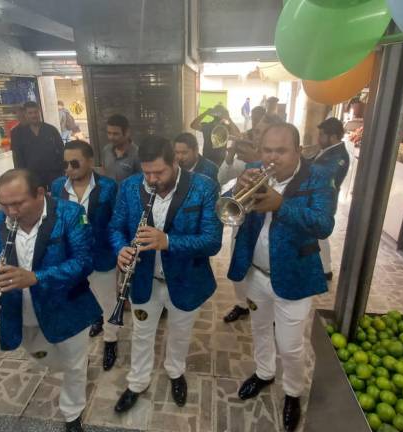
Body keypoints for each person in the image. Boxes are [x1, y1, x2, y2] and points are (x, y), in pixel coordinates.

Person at [0, 169, 100, 432]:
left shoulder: (71, 214)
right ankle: (77, 366)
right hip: (20, 313)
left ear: (40, 193)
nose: (10, 212)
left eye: (17, 203)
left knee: (73, 362)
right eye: (4, 205)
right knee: (46, 359)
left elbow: (84, 262)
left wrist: (36, 277)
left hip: (67, 308)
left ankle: (72, 412)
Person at [227, 123, 336, 432]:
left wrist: (281, 205)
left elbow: (323, 224)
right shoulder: (252, 169)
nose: (271, 158)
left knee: (290, 346)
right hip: (256, 273)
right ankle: (263, 372)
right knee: (260, 329)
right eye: (267, 150)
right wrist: (236, 190)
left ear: (298, 150)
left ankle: (292, 392)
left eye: (281, 151)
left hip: (295, 277)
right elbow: (227, 202)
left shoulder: (318, 177)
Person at [109, 136, 222, 413]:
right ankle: (137, 382)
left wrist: (168, 241)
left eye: (159, 172)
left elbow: (212, 241)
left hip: (186, 279)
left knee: (180, 332)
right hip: (144, 279)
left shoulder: (204, 187)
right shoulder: (130, 187)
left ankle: (175, 371)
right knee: (142, 333)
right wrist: (121, 249)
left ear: (175, 161)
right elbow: (115, 227)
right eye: (146, 172)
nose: (151, 179)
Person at [50, 140, 120, 370]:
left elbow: (116, 222)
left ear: (90, 161)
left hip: (102, 256)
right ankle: (95, 320)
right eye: (65, 164)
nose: (68, 168)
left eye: (74, 163)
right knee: (82, 297)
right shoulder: (58, 186)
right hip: (72, 260)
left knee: (109, 301)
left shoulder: (109, 187)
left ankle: (110, 340)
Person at [219, 113, 285, 324]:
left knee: (267, 270)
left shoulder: (282, 163)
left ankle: (273, 312)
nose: (255, 136)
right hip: (242, 226)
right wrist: (231, 157)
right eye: (256, 132)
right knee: (241, 269)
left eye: (260, 133)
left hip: (269, 233)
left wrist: (258, 159)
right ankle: (241, 304)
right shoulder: (247, 160)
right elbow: (222, 179)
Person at [308, 118, 350, 281]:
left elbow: (325, 175)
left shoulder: (339, 156)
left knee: (320, 234)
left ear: (332, 137)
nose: (318, 138)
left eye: (321, 135)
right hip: (316, 198)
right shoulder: (327, 149)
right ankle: (323, 267)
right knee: (317, 234)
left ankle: (326, 270)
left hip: (324, 200)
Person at [10, 101, 65, 188]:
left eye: (35, 112)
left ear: (39, 112)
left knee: (57, 197)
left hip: (54, 173)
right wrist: (21, 176)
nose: (33, 115)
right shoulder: (17, 133)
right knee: (39, 199)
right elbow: (17, 157)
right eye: (30, 113)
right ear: (25, 114)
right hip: (32, 176)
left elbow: (62, 150)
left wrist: (64, 170)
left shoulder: (51, 129)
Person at [101, 114, 140, 183]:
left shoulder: (137, 154)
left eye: (115, 134)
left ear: (127, 133)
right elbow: (104, 173)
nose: (111, 137)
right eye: (109, 133)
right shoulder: (106, 150)